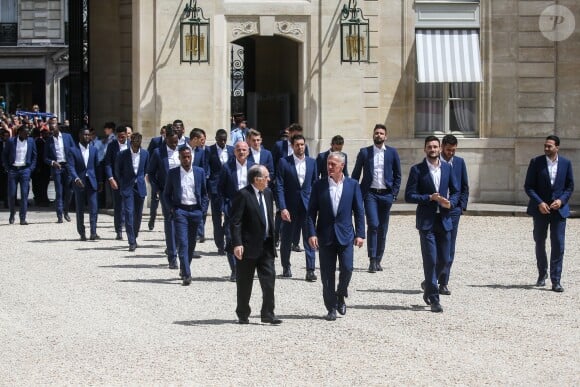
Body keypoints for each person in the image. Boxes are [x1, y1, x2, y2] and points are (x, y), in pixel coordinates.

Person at [308, 152, 365, 321]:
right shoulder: (319, 185)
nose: (329, 166)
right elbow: (311, 212)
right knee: (327, 274)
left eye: (333, 164)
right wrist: (311, 233)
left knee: (347, 268)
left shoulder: (353, 185)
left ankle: (341, 294)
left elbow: (359, 211)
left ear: (342, 166)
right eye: (328, 163)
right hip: (325, 236)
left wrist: (360, 234)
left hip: (346, 235)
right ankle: (331, 307)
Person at [405, 136, 459, 313]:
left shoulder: (448, 169)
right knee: (430, 260)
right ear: (425, 149)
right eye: (430, 147)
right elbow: (409, 196)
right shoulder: (417, 170)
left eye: (435, 146)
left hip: (444, 220)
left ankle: (428, 285)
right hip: (426, 222)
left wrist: (450, 202)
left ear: (440, 148)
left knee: (445, 260)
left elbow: (457, 191)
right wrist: (429, 198)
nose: (433, 149)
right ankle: (434, 299)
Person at [230, 165, 281, 325]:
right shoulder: (243, 195)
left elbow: (268, 217)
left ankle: (268, 313)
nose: (269, 180)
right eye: (266, 177)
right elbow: (235, 221)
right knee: (245, 283)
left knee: (269, 281)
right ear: (257, 179)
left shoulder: (268, 193)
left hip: (266, 246)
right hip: (248, 246)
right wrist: (237, 243)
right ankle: (243, 313)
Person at [524, 135, 574, 292]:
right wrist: (539, 202)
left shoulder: (566, 163)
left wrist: (561, 201)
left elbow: (569, 186)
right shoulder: (536, 162)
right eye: (545, 146)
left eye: (549, 146)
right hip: (541, 210)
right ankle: (542, 274)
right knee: (540, 241)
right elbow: (529, 186)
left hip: (559, 211)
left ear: (557, 148)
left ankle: (556, 280)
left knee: (558, 244)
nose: (546, 148)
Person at [351, 124, 402, 273]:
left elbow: (398, 175)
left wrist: (394, 194)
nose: (378, 135)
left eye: (381, 133)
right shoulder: (365, 153)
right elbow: (355, 175)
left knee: (382, 228)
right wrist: (354, 193)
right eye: (376, 133)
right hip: (370, 194)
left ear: (385, 136)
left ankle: (379, 258)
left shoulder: (392, 153)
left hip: (386, 195)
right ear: (373, 135)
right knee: (373, 224)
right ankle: (372, 259)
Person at [163, 146, 208, 285]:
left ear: (191, 157)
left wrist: (203, 210)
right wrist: (172, 209)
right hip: (180, 211)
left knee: (191, 243)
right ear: (179, 158)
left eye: (188, 157)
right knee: (182, 242)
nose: (186, 159)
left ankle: (184, 266)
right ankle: (187, 274)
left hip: (195, 211)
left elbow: (205, 194)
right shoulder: (173, 173)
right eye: (184, 157)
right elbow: (166, 194)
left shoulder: (199, 172)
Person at [276, 134, 318, 281]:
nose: (300, 147)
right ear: (292, 146)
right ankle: (286, 266)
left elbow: (315, 185)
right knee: (287, 238)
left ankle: (310, 270)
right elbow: (279, 186)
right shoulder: (284, 162)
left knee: (310, 237)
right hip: (290, 207)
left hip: (308, 207)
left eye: (302, 144)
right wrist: (282, 208)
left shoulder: (312, 162)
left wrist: (316, 205)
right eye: (297, 145)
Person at [438, 134, 469, 295]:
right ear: (442, 147)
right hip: (437, 210)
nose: (451, 153)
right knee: (436, 247)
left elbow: (464, 187)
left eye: (454, 150)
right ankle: (431, 278)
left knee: (449, 247)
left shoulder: (459, 163)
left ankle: (443, 282)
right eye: (449, 150)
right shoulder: (434, 162)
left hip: (454, 210)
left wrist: (461, 207)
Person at [219, 141, 254, 281]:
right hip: (232, 209)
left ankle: (245, 268)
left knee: (248, 239)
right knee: (231, 238)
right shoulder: (227, 168)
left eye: (244, 149)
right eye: (238, 149)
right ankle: (234, 270)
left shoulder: (253, 168)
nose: (241, 152)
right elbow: (220, 189)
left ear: (248, 152)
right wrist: (224, 206)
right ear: (234, 152)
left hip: (249, 209)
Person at [147, 127, 181, 268]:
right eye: (172, 142)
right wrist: (157, 189)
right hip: (166, 192)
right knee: (170, 221)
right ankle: (172, 256)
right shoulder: (158, 152)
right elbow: (151, 173)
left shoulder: (183, 151)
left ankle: (175, 246)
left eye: (176, 142)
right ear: (166, 139)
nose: (174, 145)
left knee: (181, 222)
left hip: (182, 192)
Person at [115, 133, 149, 251]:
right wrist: (123, 183)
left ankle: (134, 235)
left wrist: (139, 179)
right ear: (130, 142)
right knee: (129, 213)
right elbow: (118, 171)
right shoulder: (122, 154)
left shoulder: (145, 154)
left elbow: (145, 170)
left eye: (138, 144)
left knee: (138, 215)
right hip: (127, 187)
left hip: (139, 186)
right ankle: (131, 241)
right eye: (134, 144)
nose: (136, 146)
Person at [67, 128, 101, 241]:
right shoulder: (72, 150)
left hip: (91, 181)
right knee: (80, 208)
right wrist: (76, 178)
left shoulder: (94, 150)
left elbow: (97, 167)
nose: (87, 137)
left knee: (94, 208)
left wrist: (100, 181)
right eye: (85, 135)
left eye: (89, 135)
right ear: (80, 136)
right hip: (79, 182)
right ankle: (82, 232)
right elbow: (70, 166)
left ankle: (93, 232)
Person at [2, 125, 37, 225]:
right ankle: (12, 213)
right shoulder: (11, 141)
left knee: (24, 194)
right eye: (25, 133)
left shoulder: (31, 141)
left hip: (25, 170)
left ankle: (23, 218)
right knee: (12, 194)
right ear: (19, 132)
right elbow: (4, 155)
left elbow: (35, 156)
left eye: (28, 133)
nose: (27, 135)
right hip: (13, 170)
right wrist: (7, 168)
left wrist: (31, 169)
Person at [207, 129, 234, 255]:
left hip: (228, 188)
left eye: (224, 139)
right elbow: (206, 168)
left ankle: (228, 238)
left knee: (229, 216)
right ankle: (219, 244)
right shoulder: (209, 150)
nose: (223, 142)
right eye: (220, 139)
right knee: (216, 217)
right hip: (215, 187)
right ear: (216, 138)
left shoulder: (231, 150)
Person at [44, 117, 75, 223]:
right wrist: (53, 162)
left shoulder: (67, 137)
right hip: (57, 167)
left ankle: (66, 210)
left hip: (67, 166)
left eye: (54, 127)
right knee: (59, 191)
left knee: (69, 190)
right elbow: (45, 157)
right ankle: (59, 215)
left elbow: (74, 150)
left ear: (58, 127)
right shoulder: (49, 141)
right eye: (51, 128)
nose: (52, 130)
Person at [104, 125, 130, 240]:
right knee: (118, 206)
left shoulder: (131, 144)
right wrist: (110, 178)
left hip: (129, 180)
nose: (121, 139)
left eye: (123, 137)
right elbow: (108, 163)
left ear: (126, 134)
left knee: (129, 206)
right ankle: (119, 230)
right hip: (117, 180)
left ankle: (130, 230)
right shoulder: (112, 146)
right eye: (119, 137)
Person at [188, 128, 210, 243]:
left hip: (197, 185)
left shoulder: (200, 152)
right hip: (185, 185)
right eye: (201, 139)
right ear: (195, 139)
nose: (202, 142)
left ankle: (198, 233)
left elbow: (203, 168)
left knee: (200, 209)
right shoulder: (182, 149)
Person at [146, 125, 167, 231]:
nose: (164, 134)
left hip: (166, 177)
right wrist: (148, 173)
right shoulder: (155, 141)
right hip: (156, 175)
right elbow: (149, 156)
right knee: (154, 199)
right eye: (162, 132)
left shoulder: (173, 142)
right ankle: (152, 218)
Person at [32, 126, 51, 206]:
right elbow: (39, 155)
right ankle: (40, 199)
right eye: (45, 134)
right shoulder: (39, 142)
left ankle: (42, 198)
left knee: (43, 184)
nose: (46, 135)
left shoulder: (45, 142)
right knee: (39, 184)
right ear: (41, 134)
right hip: (40, 167)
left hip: (44, 167)